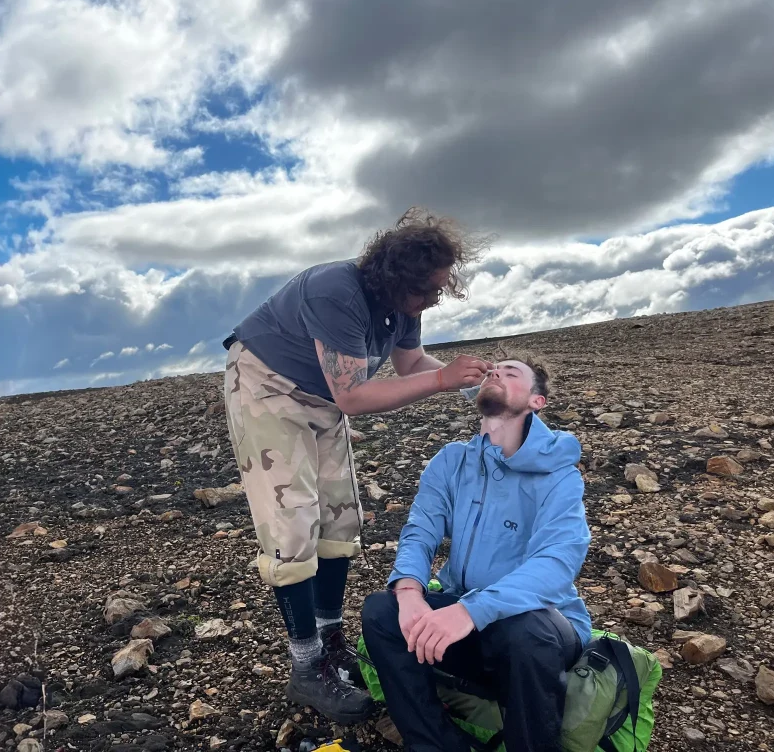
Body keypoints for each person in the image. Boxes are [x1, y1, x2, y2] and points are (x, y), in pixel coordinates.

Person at [221, 207, 492, 725]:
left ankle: (329, 641)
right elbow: (354, 396)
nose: (436, 298)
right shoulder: (335, 292)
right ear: (398, 278)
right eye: (430, 290)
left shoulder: (403, 303)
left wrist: (475, 383)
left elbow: (411, 365)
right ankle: (306, 668)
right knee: (293, 524)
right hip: (267, 387)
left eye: (440, 288)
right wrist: (442, 381)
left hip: (322, 397)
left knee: (341, 519)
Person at [361, 352, 592, 752]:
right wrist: (411, 593)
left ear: (538, 401)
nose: (497, 372)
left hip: (536, 635)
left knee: (526, 631)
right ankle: (438, 745)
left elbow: (557, 562)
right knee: (382, 613)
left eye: (512, 372)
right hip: (463, 623)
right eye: (493, 370)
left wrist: (471, 611)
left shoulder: (559, 475)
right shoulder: (452, 461)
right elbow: (420, 530)